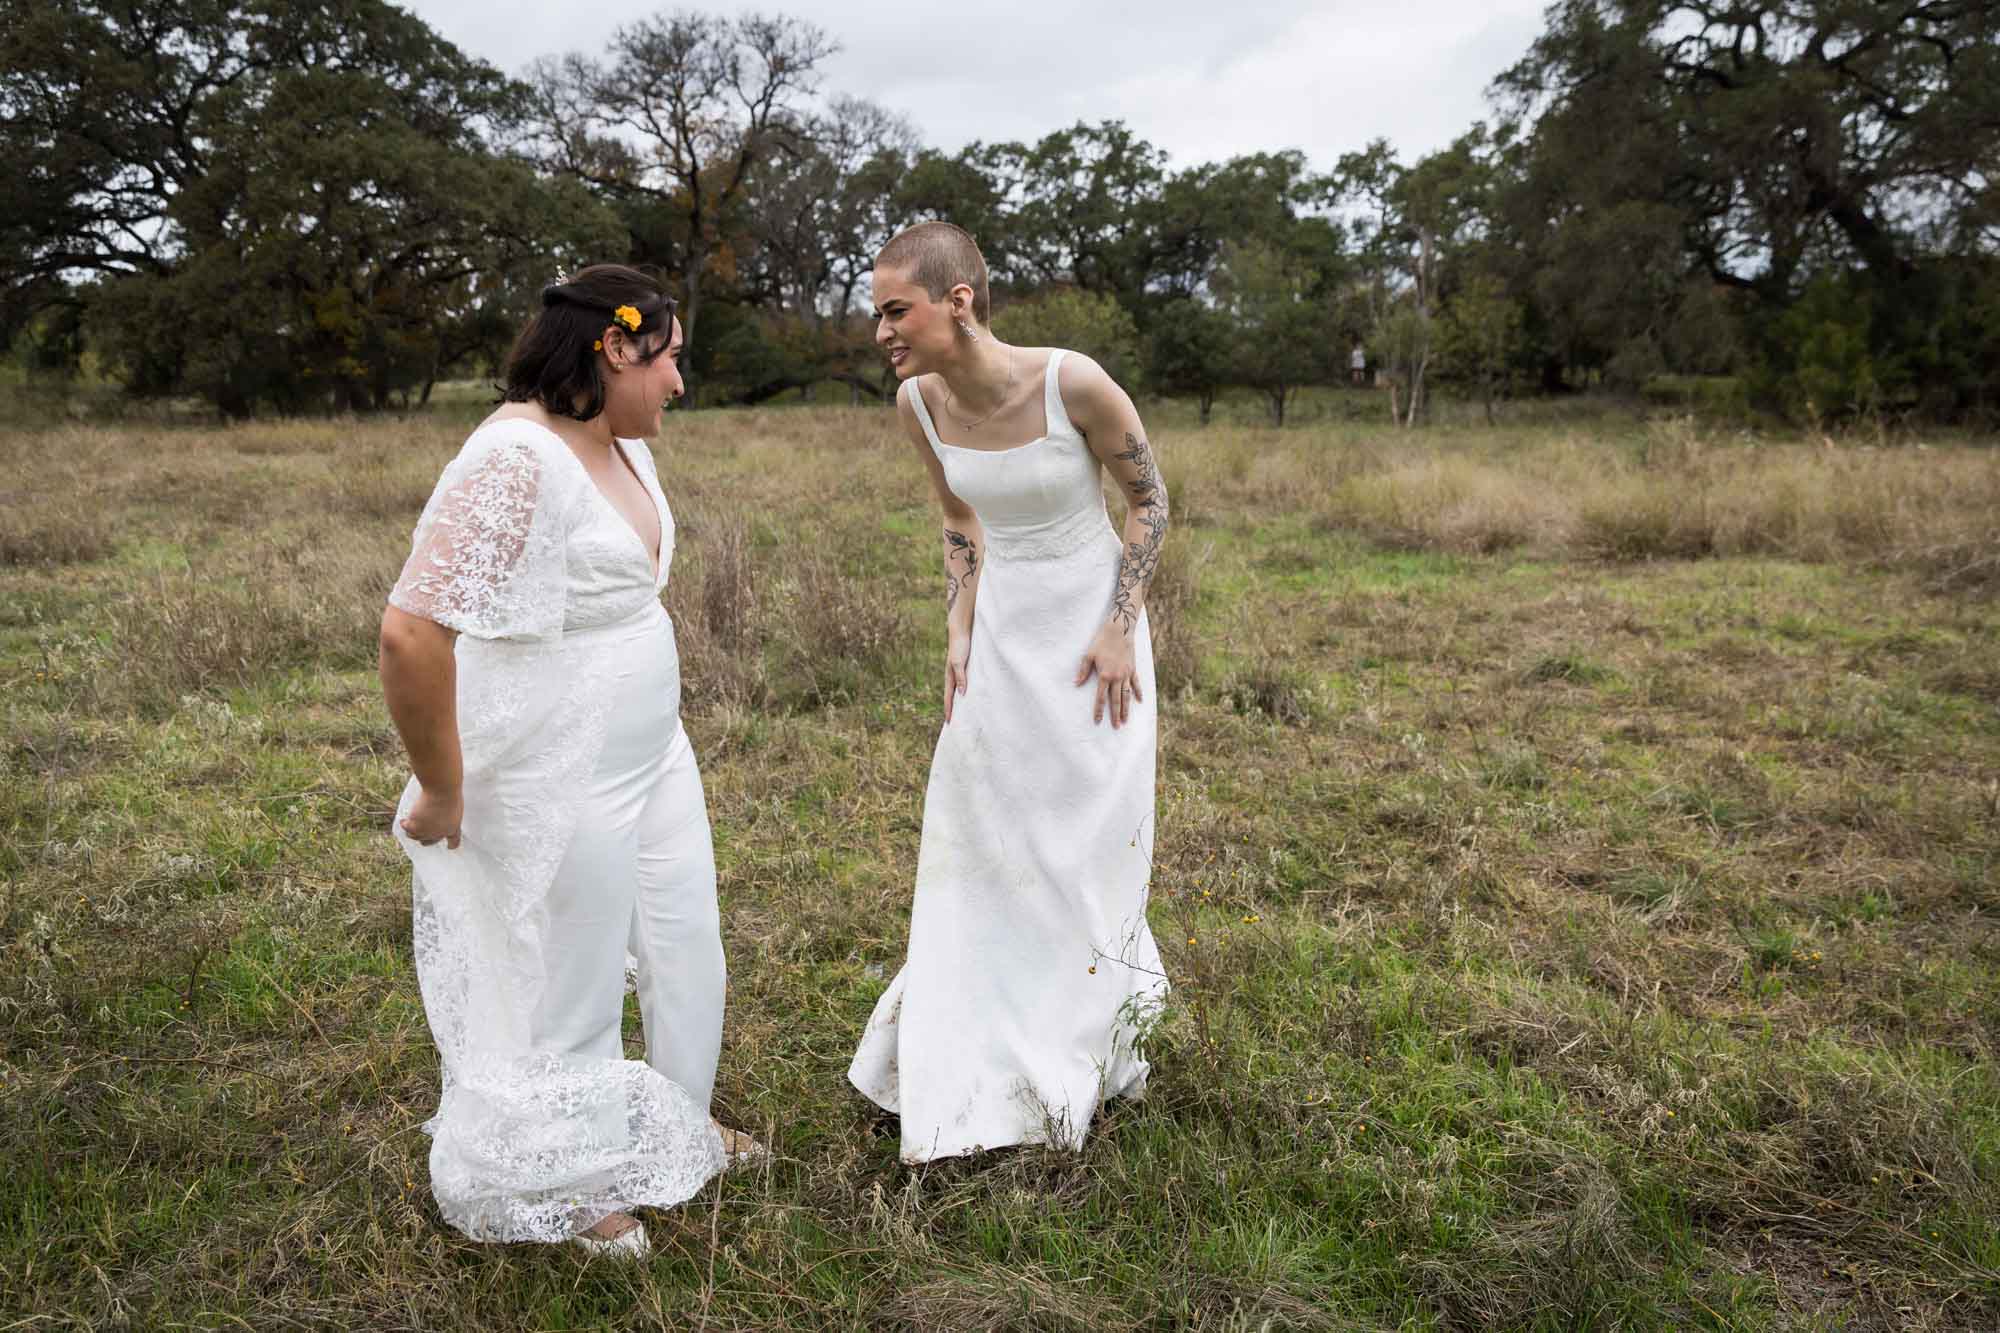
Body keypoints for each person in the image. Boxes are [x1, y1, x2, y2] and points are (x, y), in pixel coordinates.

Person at [379, 265, 755, 1258]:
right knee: (573, 978)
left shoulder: (618, 440)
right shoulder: (514, 457)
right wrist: (445, 782)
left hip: (652, 750)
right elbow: (412, 634)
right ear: (613, 348)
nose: (680, 382)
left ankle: (677, 1124)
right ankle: (573, 1179)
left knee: (686, 944)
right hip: (560, 761)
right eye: (670, 359)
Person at [848, 222, 1171, 1162]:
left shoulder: (1073, 381)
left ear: (959, 301)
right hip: (998, 637)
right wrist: (958, 623)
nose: (882, 333)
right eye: (877, 314)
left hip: (1093, 633)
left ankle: (1084, 1035)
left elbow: (1150, 500)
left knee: (1081, 843)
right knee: (983, 834)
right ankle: (968, 1047)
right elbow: (959, 518)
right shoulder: (918, 404)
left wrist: (1120, 623)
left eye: (895, 310)